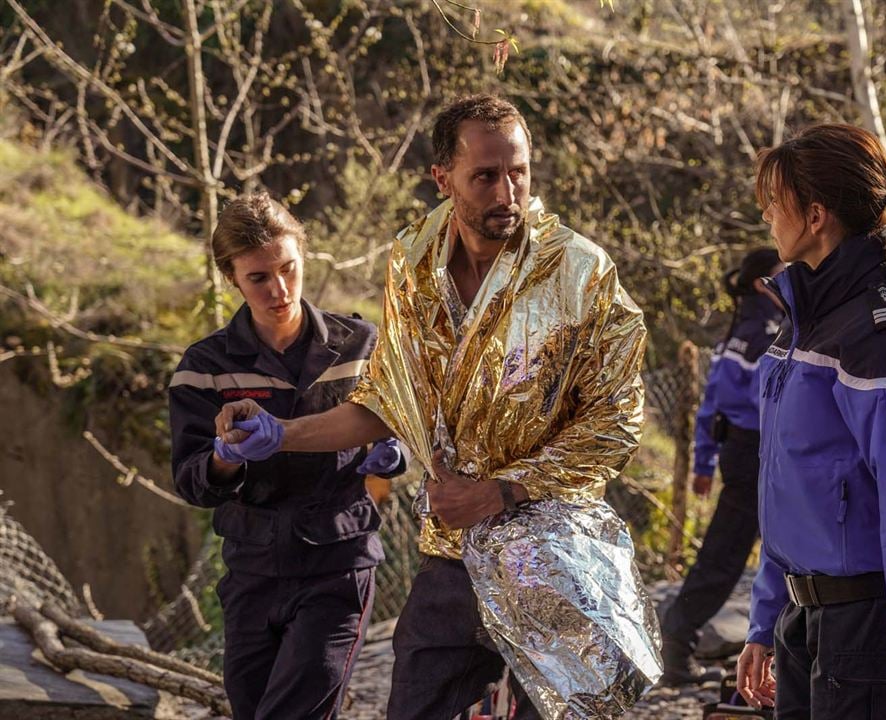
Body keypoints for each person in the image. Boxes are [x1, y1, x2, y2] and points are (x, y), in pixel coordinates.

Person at [213, 95, 651, 720]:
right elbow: (389, 402)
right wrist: (281, 433)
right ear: (442, 178)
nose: (508, 191)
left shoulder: (580, 272)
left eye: (519, 171)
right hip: (453, 551)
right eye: (486, 175)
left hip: (552, 550)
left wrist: (503, 490)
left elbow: (616, 421)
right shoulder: (412, 263)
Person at [734, 124, 886, 720]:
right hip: (803, 623)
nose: (765, 213)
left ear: (815, 216)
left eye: (775, 199)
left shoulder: (884, 341)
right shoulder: (805, 324)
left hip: (866, 635)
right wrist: (765, 621)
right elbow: (790, 489)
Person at [168, 193, 405, 720]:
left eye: (288, 269)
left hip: (337, 565)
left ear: (303, 256)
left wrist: (395, 451)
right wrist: (226, 456)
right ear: (232, 278)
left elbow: (409, 425)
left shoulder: (361, 346)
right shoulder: (204, 367)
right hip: (251, 571)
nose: (279, 289)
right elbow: (190, 481)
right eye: (259, 278)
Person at [660, 247, 784, 685]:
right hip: (756, 454)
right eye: (782, 272)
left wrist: (705, 460)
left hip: (741, 452)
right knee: (727, 555)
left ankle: (682, 641)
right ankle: (677, 642)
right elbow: (763, 404)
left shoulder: (739, 329)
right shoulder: (766, 333)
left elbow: (711, 404)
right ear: (760, 285)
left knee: (736, 553)